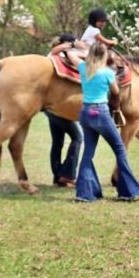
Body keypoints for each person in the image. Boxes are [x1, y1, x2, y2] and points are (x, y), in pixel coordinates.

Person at [75, 42, 139, 202]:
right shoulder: (107, 73)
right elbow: (115, 92)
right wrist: (117, 108)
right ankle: (128, 192)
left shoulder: (82, 68)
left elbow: (73, 56)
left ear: (91, 54)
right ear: (104, 55)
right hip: (100, 112)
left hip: (85, 113)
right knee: (120, 149)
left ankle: (84, 194)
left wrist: (75, 46)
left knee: (88, 154)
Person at [44, 33, 88, 187]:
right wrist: (74, 45)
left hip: (50, 107)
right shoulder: (57, 54)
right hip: (61, 106)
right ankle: (68, 175)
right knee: (78, 137)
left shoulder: (54, 55)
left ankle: (57, 177)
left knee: (57, 142)